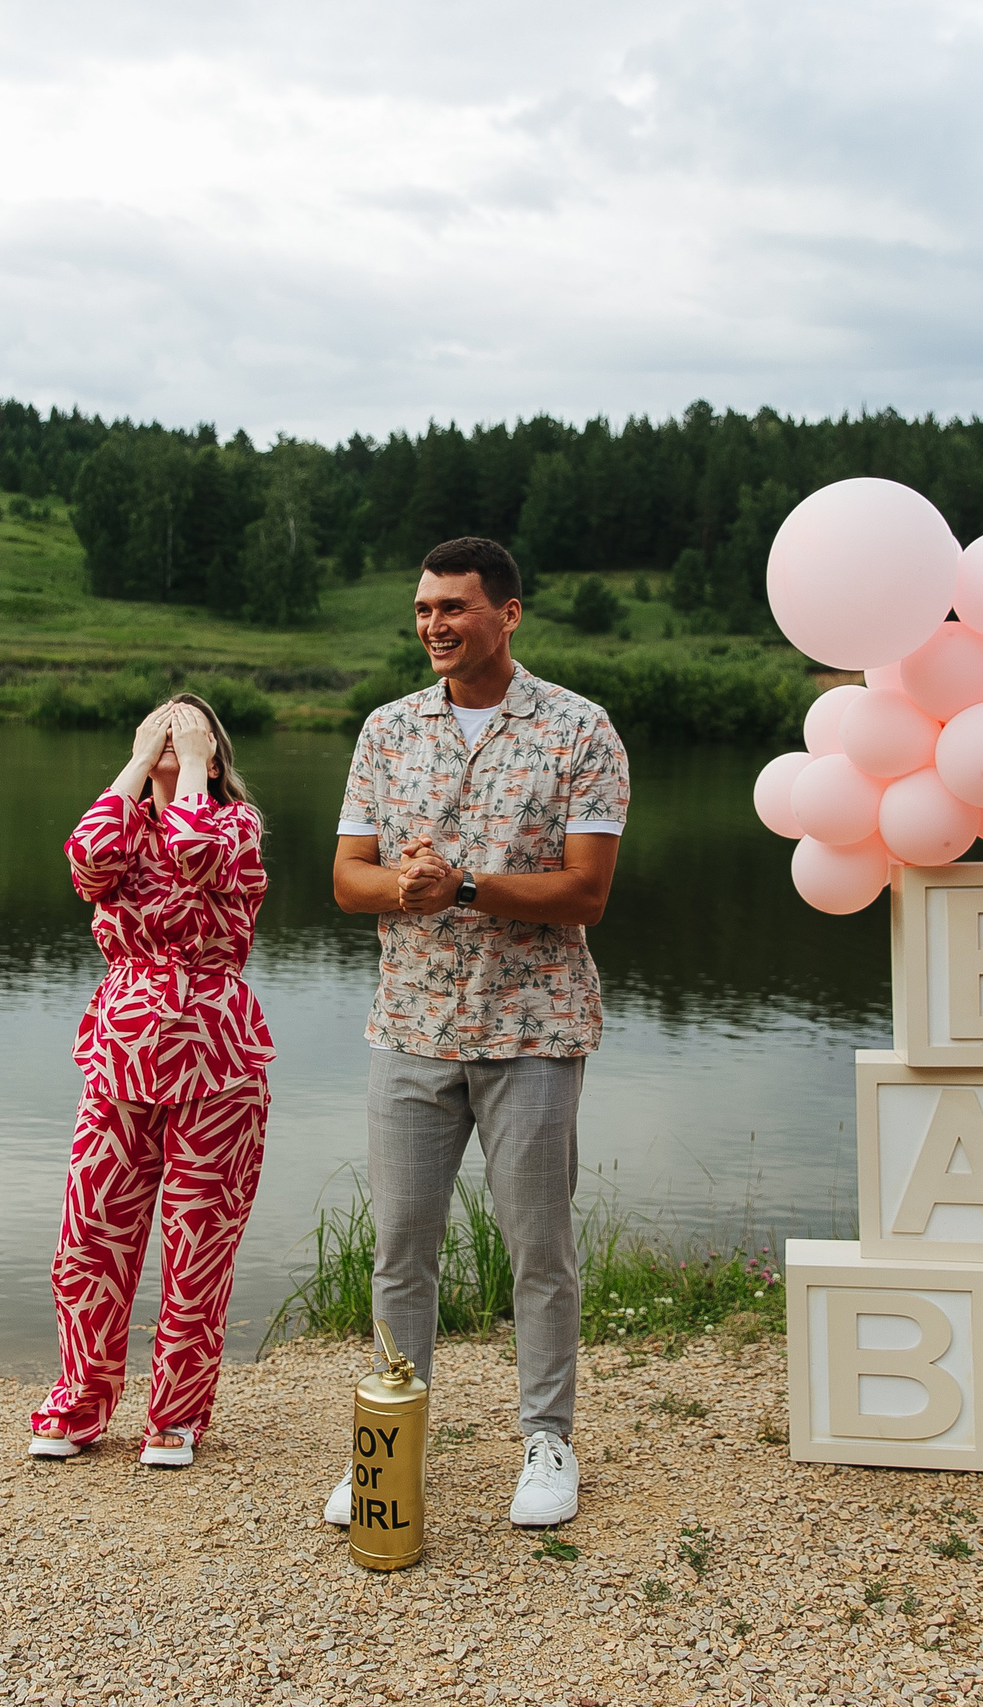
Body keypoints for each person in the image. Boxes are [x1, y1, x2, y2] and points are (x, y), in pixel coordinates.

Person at [327, 536, 628, 1528]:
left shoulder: (580, 732)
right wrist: (406, 887)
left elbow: (585, 895)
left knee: (538, 1248)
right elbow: (348, 879)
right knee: (400, 1248)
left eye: (452, 607)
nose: (432, 626)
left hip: (533, 1032)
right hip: (410, 1027)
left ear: (508, 612)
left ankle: (547, 1439)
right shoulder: (386, 731)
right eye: (422, 609)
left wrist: (457, 883)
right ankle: (392, 1436)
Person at [31, 693, 274, 1469]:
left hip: (217, 1061)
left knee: (198, 1247)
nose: (171, 735)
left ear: (213, 747)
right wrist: (138, 764)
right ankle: (81, 1400)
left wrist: (197, 766)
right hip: (120, 1058)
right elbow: (85, 860)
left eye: (186, 728)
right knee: (89, 1240)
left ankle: (176, 1415)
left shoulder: (236, 826)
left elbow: (198, 856)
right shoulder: (125, 831)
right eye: (157, 728)